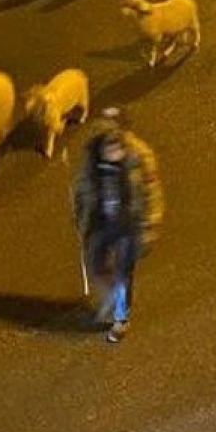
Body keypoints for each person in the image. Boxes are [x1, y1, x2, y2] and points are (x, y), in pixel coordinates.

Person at [71, 108, 164, 343]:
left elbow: (151, 192)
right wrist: (80, 214)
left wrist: (150, 224)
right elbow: (83, 186)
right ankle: (111, 297)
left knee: (123, 273)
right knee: (95, 265)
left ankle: (121, 318)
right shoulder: (93, 155)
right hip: (101, 222)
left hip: (127, 224)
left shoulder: (139, 157)